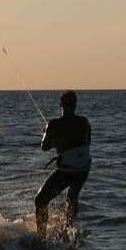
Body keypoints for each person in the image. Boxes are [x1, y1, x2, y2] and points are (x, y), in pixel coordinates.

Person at [35, 90, 93, 241]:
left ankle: (41, 238)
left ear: (60, 105)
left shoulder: (54, 124)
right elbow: (86, 142)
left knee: (40, 200)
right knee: (72, 197)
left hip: (67, 170)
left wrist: (47, 133)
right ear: (75, 105)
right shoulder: (84, 122)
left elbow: (44, 147)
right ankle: (69, 231)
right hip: (83, 169)